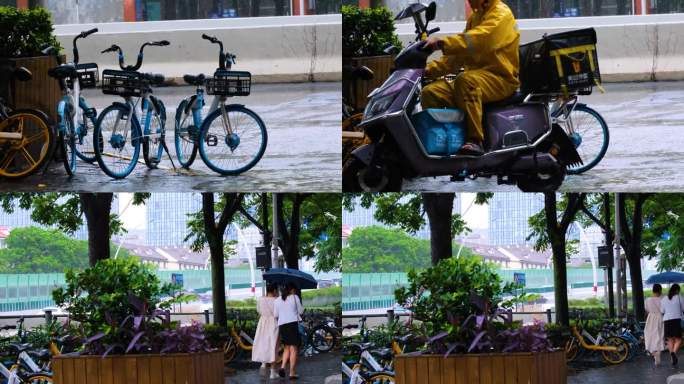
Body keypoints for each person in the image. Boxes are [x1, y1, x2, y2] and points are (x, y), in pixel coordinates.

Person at [421, 0, 520, 156]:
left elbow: (481, 40)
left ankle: (475, 141)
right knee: (430, 92)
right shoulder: (475, 17)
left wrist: (441, 43)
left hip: (501, 78)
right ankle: (444, 140)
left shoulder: (501, 14)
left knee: (465, 80)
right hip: (475, 78)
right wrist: (426, 71)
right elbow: (460, 53)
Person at [273, 282, 304, 380]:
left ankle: (282, 367)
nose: (294, 291)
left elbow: (275, 315)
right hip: (292, 324)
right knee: (293, 349)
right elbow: (300, 311)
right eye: (294, 289)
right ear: (291, 290)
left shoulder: (277, 300)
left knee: (287, 347)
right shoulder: (295, 297)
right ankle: (292, 372)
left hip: (282, 325)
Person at [252, 283, 280, 379]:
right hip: (273, 323)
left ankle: (263, 363)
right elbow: (277, 313)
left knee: (263, 343)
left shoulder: (260, 299)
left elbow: (258, 310)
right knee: (273, 346)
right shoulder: (277, 300)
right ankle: (272, 372)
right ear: (275, 291)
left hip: (262, 322)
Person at [661, 283, 684, 366]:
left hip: (667, 320)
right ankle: (673, 353)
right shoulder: (679, 297)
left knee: (670, 340)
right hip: (676, 320)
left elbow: (662, 311)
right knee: (678, 339)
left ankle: (672, 358)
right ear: (677, 290)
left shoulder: (664, 299)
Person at [645, 284, 664, 366]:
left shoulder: (648, 300)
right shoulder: (662, 299)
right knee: (659, 335)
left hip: (650, 318)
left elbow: (647, 309)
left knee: (649, 335)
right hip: (660, 317)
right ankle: (657, 352)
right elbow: (663, 310)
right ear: (660, 290)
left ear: (653, 290)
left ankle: (653, 352)